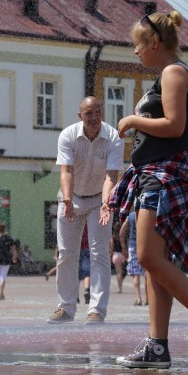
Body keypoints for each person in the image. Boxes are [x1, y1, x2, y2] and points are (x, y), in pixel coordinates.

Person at [110, 11, 188, 368]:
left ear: (154, 43)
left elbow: (175, 126)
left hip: (166, 173)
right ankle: (157, 346)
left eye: (137, 44)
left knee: (148, 257)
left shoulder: (174, 73)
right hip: (154, 173)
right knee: (154, 263)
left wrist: (133, 120)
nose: (135, 52)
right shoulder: (167, 75)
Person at [46, 96, 124, 325]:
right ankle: (66, 308)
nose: (94, 117)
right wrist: (68, 200)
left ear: (103, 114)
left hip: (98, 201)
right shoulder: (68, 135)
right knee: (67, 254)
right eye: (89, 113)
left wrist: (106, 203)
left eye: (98, 112)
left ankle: (96, 311)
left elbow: (111, 175)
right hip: (72, 198)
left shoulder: (113, 137)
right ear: (80, 115)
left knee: (99, 254)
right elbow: (66, 171)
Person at [120, 211, 148, 306]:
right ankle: (148, 299)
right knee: (147, 274)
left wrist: (123, 247)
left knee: (135, 274)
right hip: (145, 246)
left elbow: (121, 233)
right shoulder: (148, 213)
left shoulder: (131, 216)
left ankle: (138, 298)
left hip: (133, 246)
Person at [111, 220, 126, 294]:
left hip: (115, 255)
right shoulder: (122, 236)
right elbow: (124, 245)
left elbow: (111, 247)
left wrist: (110, 256)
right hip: (122, 255)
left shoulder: (113, 237)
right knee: (122, 272)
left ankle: (119, 288)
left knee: (118, 272)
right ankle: (121, 287)